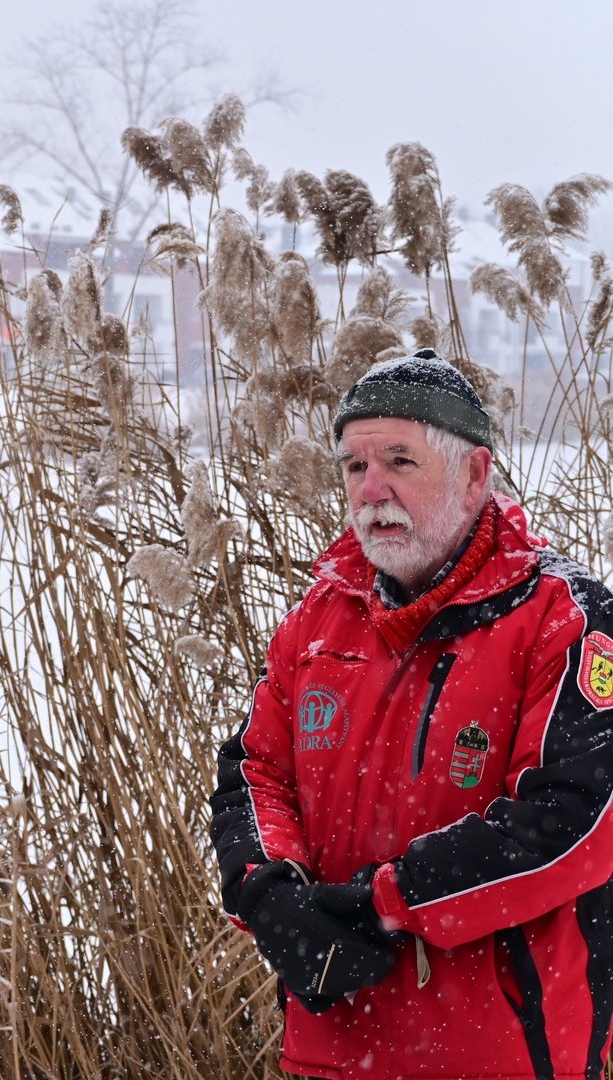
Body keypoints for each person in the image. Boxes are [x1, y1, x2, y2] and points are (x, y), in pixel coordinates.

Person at [211, 349, 613, 1079]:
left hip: (504, 1054)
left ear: (473, 475)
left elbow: (573, 823)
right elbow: (252, 772)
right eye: (353, 466)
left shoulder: (565, 618)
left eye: (399, 460)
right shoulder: (318, 620)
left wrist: (385, 902)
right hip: (333, 1049)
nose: (371, 490)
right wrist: (269, 897)